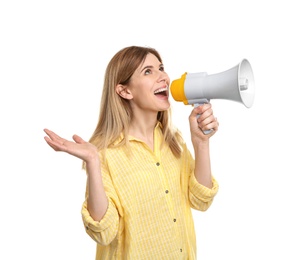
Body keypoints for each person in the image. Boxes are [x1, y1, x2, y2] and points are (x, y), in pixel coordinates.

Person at [44, 46, 219, 259]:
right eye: (148, 71)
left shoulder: (173, 142)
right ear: (124, 91)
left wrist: (201, 143)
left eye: (161, 68)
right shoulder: (106, 153)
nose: (163, 76)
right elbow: (104, 232)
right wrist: (93, 161)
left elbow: (201, 201)